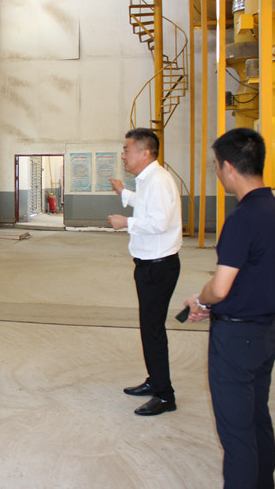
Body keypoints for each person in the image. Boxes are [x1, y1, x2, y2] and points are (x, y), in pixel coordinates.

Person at [184, 128, 275, 488]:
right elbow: (253, 277)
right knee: (258, 419)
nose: (217, 172)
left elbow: (220, 287)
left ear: (228, 167)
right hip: (265, 335)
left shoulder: (242, 218)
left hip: (236, 340)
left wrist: (201, 301)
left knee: (237, 436)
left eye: (216, 166)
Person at [108, 127, 182, 416]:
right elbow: (147, 205)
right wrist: (123, 193)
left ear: (145, 152)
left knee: (153, 331)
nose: (123, 155)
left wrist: (126, 223)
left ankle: (165, 396)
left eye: (127, 150)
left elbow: (160, 222)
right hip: (150, 265)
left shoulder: (159, 180)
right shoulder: (149, 179)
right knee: (150, 328)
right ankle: (155, 380)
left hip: (158, 267)